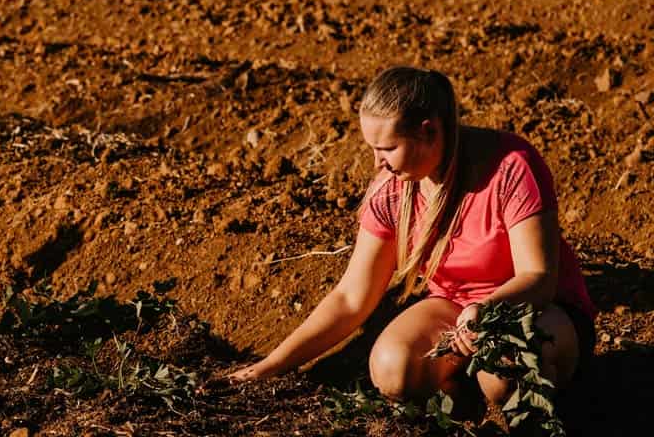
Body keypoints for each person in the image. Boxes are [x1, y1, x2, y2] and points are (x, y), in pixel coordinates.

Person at [224, 66, 596, 411]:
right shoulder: (392, 190)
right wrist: (271, 366)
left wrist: (484, 310)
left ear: (429, 130)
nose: (376, 163)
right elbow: (351, 298)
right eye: (372, 148)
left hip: (536, 311)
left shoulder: (511, 166)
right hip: (454, 306)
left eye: (386, 149)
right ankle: (467, 411)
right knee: (392, 367)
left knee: (503, 367)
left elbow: (539, 278)